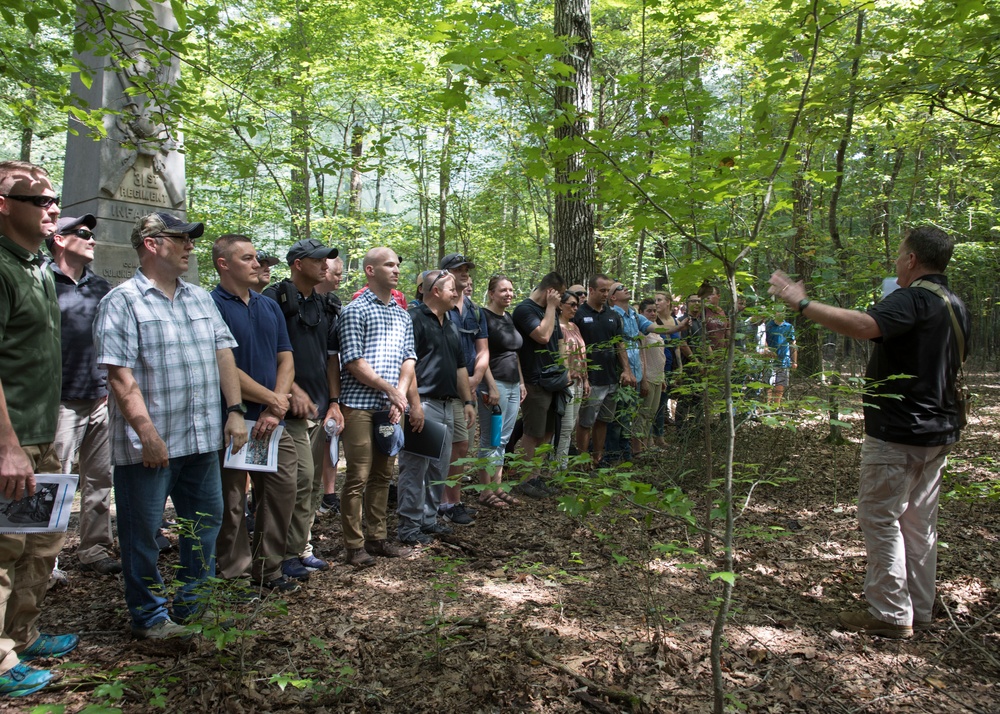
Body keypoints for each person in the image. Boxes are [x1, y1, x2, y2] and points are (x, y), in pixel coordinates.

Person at [769, 225, 970, 639]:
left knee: (879, 517)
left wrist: (801, 302)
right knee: (918, 522)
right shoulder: (954, 302)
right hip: (937, 429)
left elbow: (863, 325)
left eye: (899, 255)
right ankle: (919, 607)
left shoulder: (913, 297)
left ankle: (891, 614)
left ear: (912, 260)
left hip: (901, 431)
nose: (896, 261)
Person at [94, 211, 248, 640]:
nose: (189, 247)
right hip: (150, 446)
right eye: (180, 239)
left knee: (205, 523)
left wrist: (234, 410)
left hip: (201, 440)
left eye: (190, 239)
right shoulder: (122, 301)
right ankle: (149, 617)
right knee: (142, 533)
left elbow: (223, 355)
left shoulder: (200, 298)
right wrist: (147, 433)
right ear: (151, 244)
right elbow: (120, 376)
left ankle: (193, 605)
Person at [0, 160, 79, 696]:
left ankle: (22, 636)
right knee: (4, 549)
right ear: (4, 205)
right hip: (12, 437)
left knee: (40, 541)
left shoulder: (36, 266)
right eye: (40, 200)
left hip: (43, 432)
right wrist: (7, 447)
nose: (53, 208)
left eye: (54, 200)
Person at [211, 234, 300, 593]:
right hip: (230, 418)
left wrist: (275, 408)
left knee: (282, 488)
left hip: (270, 421)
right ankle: (235, 574)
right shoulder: (210, 305)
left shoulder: (268, 306)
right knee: (231, 501)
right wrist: (273, 400)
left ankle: (270, 568)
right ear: (224, 264)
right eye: (247, 258)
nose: (256, 264)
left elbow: (286, 357)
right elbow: (224, 365)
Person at [263, 239, 343, 581]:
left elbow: (330, 359)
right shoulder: (273, 300)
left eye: (328, 259)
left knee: (310, 485)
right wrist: (291, 392)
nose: (326, 265)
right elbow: (269, 354)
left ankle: (300, 548)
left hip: (319, 408)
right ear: (297, 263)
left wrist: (334, 403)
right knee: (291, 484)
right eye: (319, 259)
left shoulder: (325, 305)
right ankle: (280, 555)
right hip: (286, 410)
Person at [46, 214, 120, 576]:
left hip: (100, 399)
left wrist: (108, 386)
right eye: (84, 234)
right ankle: (47, 558)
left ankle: (94, 548)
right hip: (57, 401)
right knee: (55, 480)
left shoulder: (100, 287)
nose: (92, 240)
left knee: (99, 477)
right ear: (60, 240)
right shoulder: (41, 281)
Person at [337, 247, 416, 567]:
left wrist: (400, 393)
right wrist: (390, 390)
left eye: (398, 264)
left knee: (384, 474)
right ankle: (354, 545)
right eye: (388, 265)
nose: (396, 270)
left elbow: (409, 358)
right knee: (358, 474)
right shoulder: (355, 311)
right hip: (358, 405)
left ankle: (378, 538)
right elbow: (353, 362)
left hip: (389, 408)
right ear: (370, 270)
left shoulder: (401, 314)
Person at [397, 269, 476, 544]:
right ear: (435, 291)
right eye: (452, 289)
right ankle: (408, 527)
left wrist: (466, 401)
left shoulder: (451, 324)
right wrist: (415, 405)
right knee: (416, 467)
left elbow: (459, 367)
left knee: (438, 468)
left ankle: (428, 521)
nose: (458, 293)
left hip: (446, 404)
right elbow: (407, 365)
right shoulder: (414, 319)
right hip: (424, 404)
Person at [438, 253, 492, 526]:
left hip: (467, 391)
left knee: (462, 447)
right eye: (458, 269)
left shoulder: (475, 311)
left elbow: (482, 350)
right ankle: (438, 501)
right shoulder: (436, 307)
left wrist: (476, 379)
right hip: (439, 391)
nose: (464, 274)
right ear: (444, 273)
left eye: (467, 270)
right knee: (440, 447)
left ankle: (453, 501)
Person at [511, 271, 566, 498]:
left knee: (548, 432)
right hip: (535, 380)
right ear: (550, 291)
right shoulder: (525, 310)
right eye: (559, 295)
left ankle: (536, 476)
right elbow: (542, 336)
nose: (561, 299)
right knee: (533, 432)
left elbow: (558, 340)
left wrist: (564, 369)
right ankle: (525, 479)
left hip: (554, 380)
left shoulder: (548, 311)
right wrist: (552, 307)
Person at [573, 274, 635, 466]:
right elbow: (573, 348)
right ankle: (581, 461)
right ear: (591, 290)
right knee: (585, 422)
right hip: (590, 379)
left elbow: (620, 345)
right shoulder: (579, 314)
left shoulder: (613, 315)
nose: (605, 294)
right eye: (602, 291)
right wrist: (583, 377)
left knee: (604, 421)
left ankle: (597, 458)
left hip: (611, 378)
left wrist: (626, 370)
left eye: (608, 291)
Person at [476, 275, 525, 508]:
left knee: (504, 439)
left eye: (511, 290)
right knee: (491, 439)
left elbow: (515, 353)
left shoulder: (509, 317)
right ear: (491, 293)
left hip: (514, 384)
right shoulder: (482, 317)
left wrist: (522, 383)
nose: (508, 294)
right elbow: (481, 355)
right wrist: (491, 385)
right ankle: (485, 491)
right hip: (494, 385)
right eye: (503, 290)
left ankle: (497, 486)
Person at [315, 256, 345, 517]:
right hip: (299, 391)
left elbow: (333, 355)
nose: (339, 277)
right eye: (336, 272)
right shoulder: (287, 300)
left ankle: (329, 494)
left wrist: (334, 397)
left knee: (330, 438)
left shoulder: (334, 306)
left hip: (328, 389)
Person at [555, 291, 589, 469]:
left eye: (577, 305)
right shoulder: (556, 328)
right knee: (565, 426)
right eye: (571, 304)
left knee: (571, 426)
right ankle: (558, 466)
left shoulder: (574, 327)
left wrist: (586, 379)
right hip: (565, 383)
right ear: (560, 305)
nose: (575, 308)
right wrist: (567, 375)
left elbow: (583, 354)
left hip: (579, 381)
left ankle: (563, 464)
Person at [633, 298, 667, 452]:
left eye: (654, 310)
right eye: (649, 311)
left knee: (652, 413)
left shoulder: (657, 331)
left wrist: (663, 377)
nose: (653, 313)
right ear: (641, 313)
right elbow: (641, 357)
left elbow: (661, 356)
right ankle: (638, 447)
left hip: (658, 377)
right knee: (643, 413)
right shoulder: (642, 333)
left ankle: (648, 443)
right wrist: (644, 379)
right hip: (648, 377)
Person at [763, 307, 797, 407]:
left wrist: (794, 361)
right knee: (768, 385)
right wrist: (767, 351)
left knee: (780, 386)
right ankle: (767, 407)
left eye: (782, 311)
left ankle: (776, 407)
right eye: (778, 311)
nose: (780, 313)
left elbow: (793, 344)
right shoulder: (769, 326)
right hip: (770, 360)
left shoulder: (789, 327)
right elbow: (763, 340)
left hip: (784, 360)